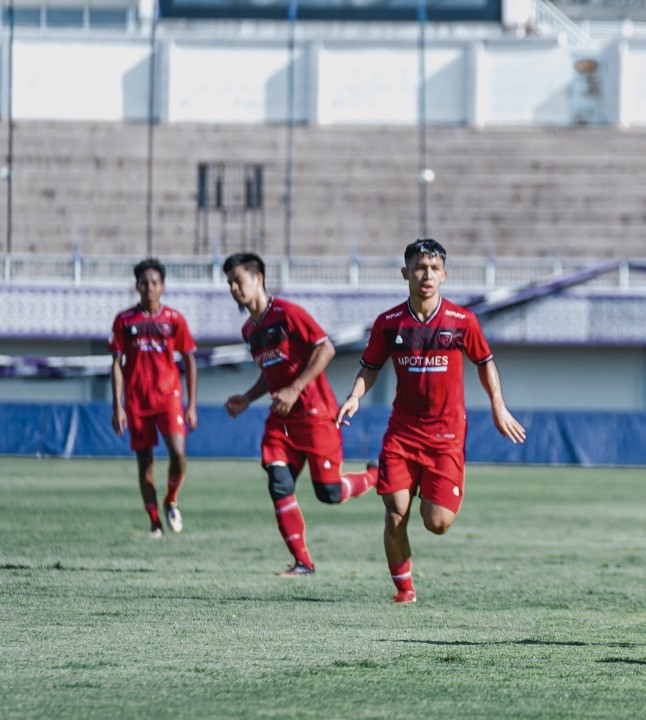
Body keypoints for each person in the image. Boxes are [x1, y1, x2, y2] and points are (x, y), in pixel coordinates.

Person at [336, 238, 526, 604]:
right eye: (420, 268)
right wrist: (354, 396)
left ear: (444, 275)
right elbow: (369, 367)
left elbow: (484, 363)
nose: (427, 275)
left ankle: (383, 477)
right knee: (395, 514)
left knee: (437, 522)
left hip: (446, 436)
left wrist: (498, 406)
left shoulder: (462, 321)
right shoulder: (389, 323)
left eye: (435, 269)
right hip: (403, 433)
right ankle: (404, 590)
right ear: (405, 272)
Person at [221, 253, 378, 577]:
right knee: (278, 482)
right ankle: (303, 562)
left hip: (315, 415)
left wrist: (295, 388)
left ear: (258, 279)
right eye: (230, 283)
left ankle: (376, 476)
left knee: (329, 494)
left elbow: (326, 348)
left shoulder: (288, 313)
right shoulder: (249, 329)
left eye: (239, 280)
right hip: (282, 421)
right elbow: (271, 372)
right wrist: (248, 399)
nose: (234, 288)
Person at [110, 258, 198, 539]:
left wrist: (192, 404)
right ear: (137, 286)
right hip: (137, 402)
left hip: (169, 397)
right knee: (145, 463)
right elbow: (116, 364)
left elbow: (190, 359)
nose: (149, 287)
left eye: (155, 283)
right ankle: (154, 522)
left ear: (163, 286)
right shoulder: (124, 320)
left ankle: (171, 499)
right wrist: (118, 405)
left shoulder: (174, 319)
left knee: (179, 453)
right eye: (144, 282)